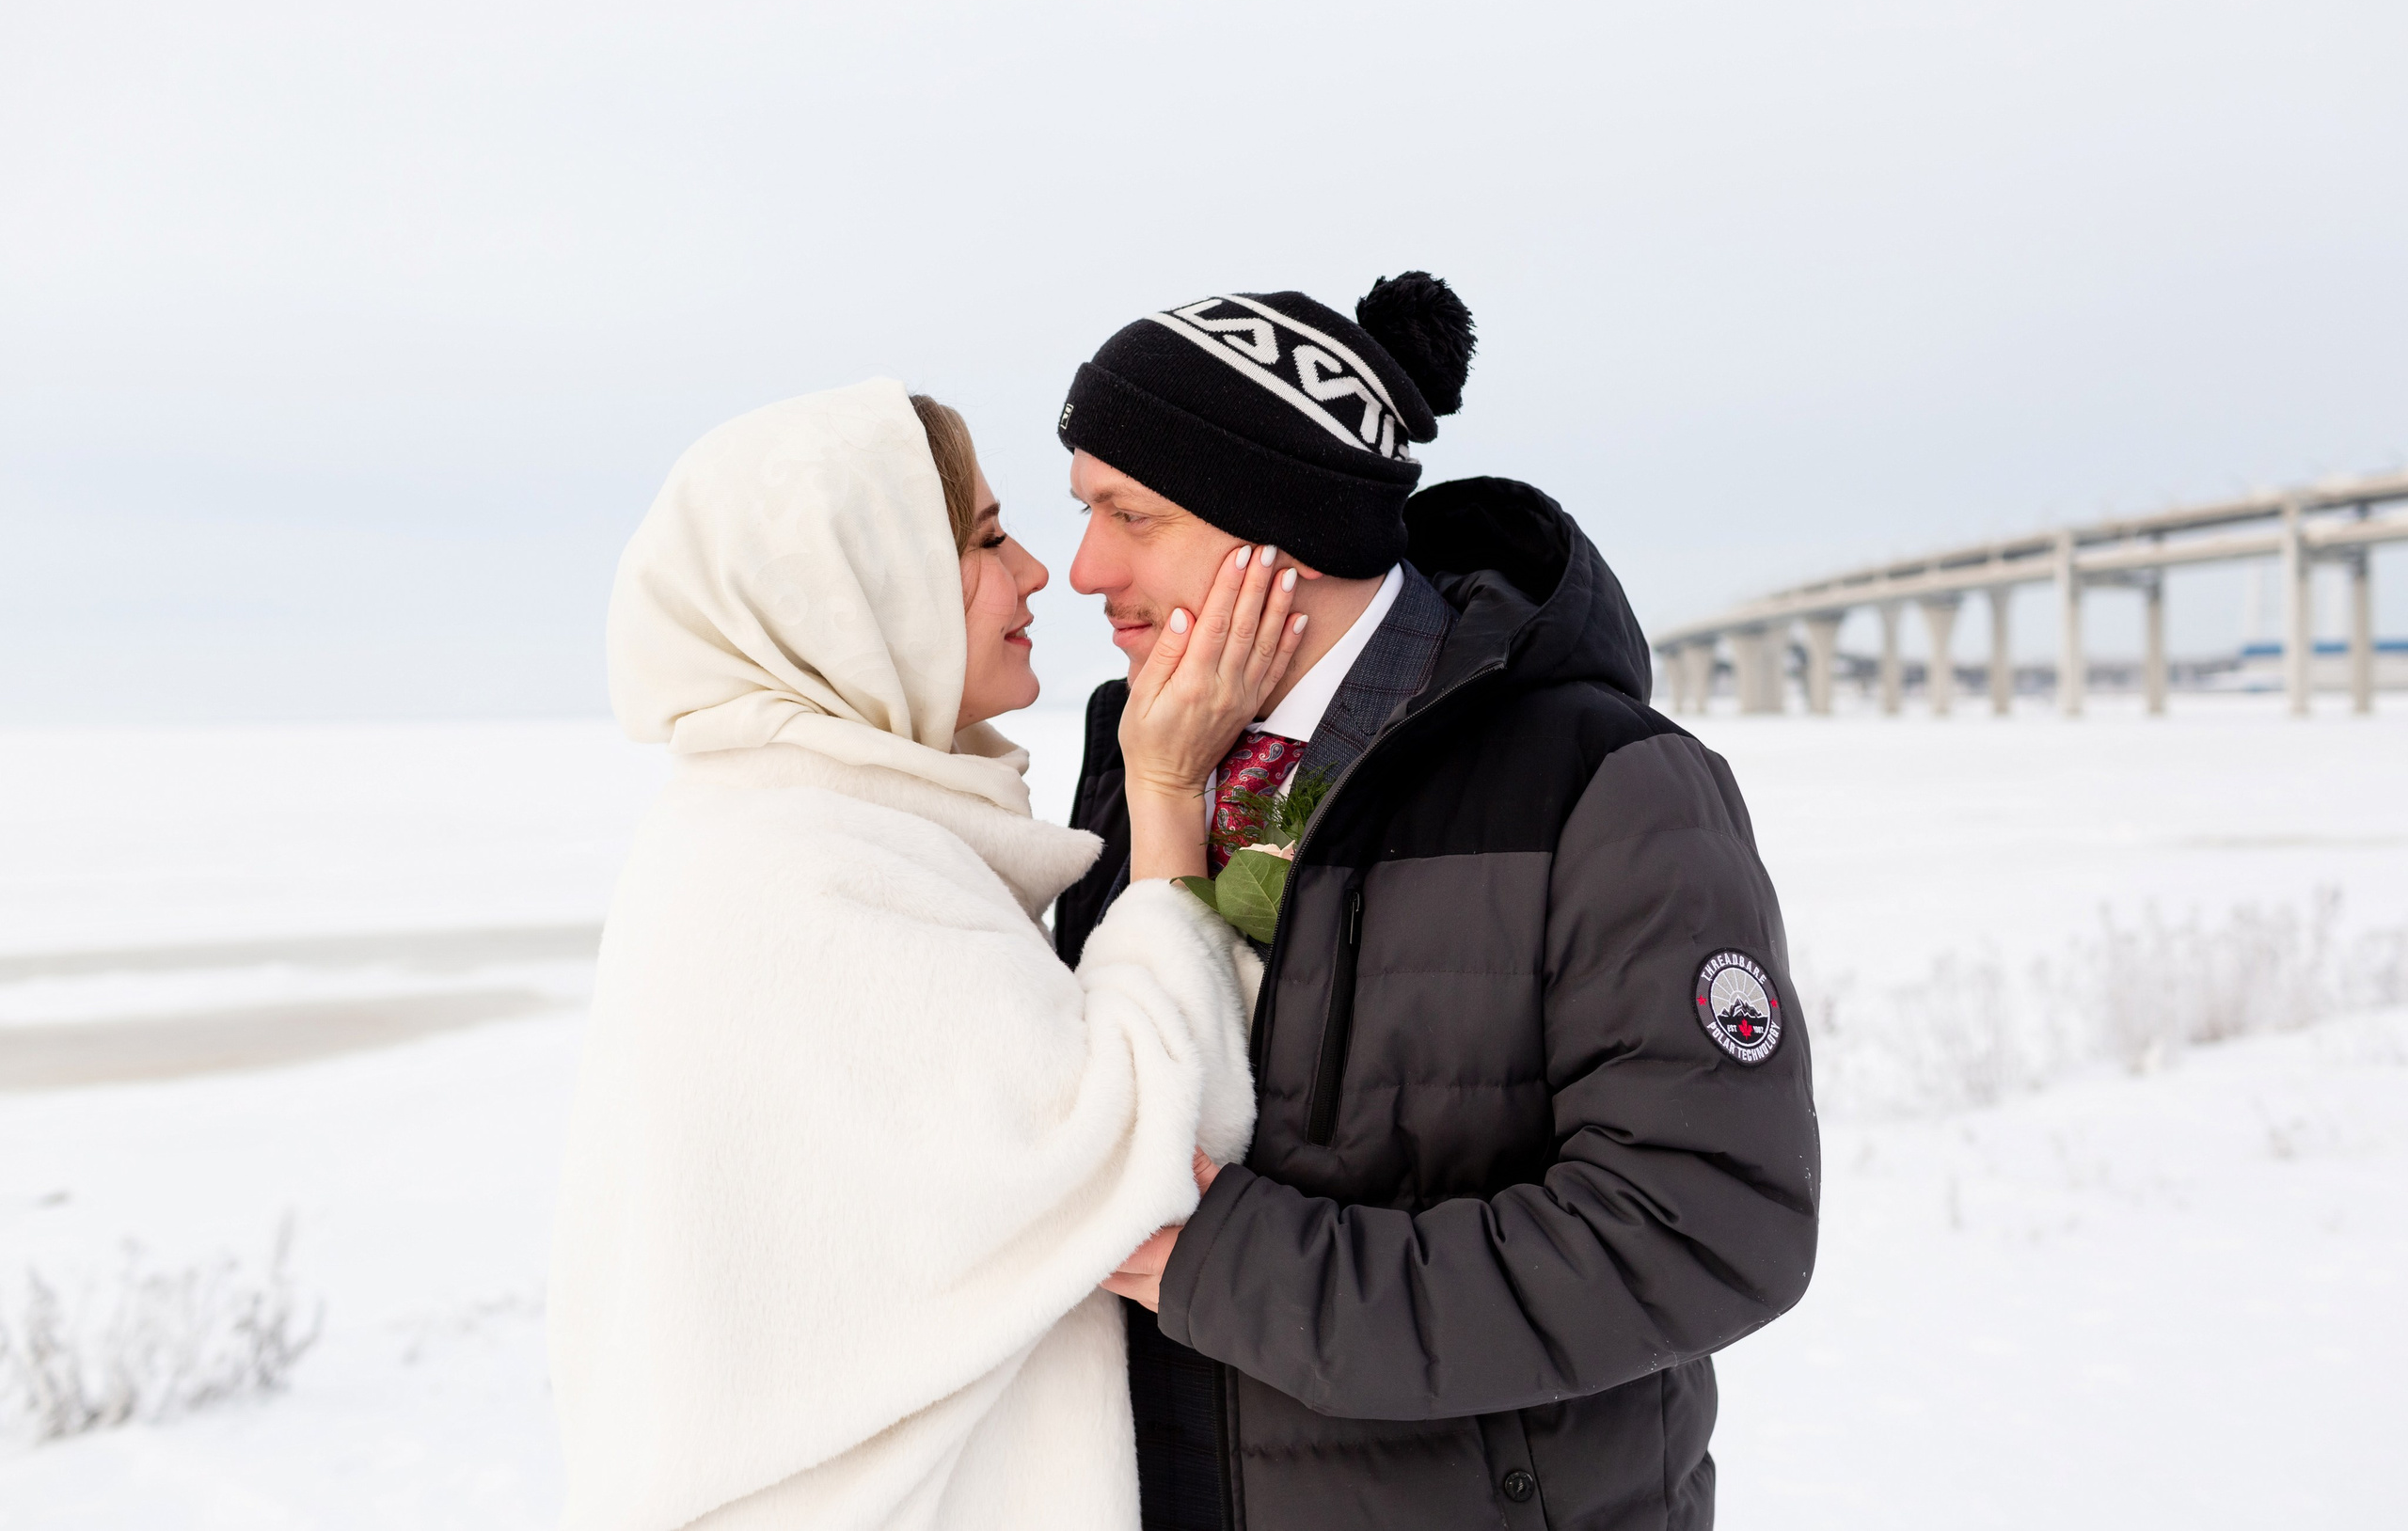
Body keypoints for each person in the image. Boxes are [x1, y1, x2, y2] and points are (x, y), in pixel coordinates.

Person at [1053, 276, 1821, 1530]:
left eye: (1128, 513)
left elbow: (1709, 1224)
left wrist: (1233, 1266)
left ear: (1274, 523)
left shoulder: (1603, 783)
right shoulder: (1143, 763)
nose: (1086, 567)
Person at [547, 378, 1307, 1530]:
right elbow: (1147, 1154)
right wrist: (1162, 792)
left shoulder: (789, 825)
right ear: (856, 583)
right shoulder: (811, 861)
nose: (1041, 574)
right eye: (987, 538)